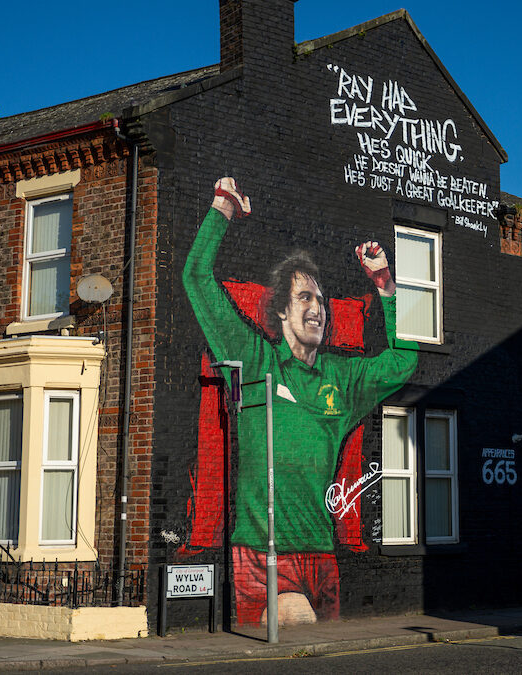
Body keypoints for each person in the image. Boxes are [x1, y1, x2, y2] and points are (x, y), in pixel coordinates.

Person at [182, 178, 417, 624]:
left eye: (322, 300)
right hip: (263, 554)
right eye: (305, 297)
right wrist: (222, 208)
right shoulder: (254, 359)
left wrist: (385, 285)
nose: (317, 308)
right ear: (283, 312)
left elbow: (404, 361)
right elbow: (195, 277)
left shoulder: (342, 379)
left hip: (322, 556)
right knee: (300, 632)